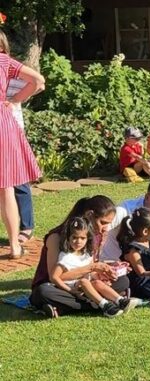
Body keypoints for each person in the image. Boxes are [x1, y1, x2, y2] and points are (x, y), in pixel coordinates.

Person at [30, 196, 132, 318]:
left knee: (122, 280)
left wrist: (108, 269)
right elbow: (55, 277)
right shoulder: (56, 237)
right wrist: (92, 268)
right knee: (43, 292)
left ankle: (69, 307)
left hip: (85, 284)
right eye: (103, 222)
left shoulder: (95, 235)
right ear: (89, 215)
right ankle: (103, 303)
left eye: (108, 224)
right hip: (59, 286)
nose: (106, 228)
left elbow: (91, 265)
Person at [0, 29, 44, 260]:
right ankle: (15, 247)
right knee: (6, 186)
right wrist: (14, 100)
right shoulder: (4, 61)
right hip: (2, 121)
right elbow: (38, 81)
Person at [50, 217, 133, 317]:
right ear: (68, 239)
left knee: (99, 282)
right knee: (83, 282)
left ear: (87, 238)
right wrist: (70, 290)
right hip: (73, 287)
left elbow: (92, 272)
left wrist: (103, 276)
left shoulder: (87, 254)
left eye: (82, 238)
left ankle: (120, 300)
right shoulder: (65, 257)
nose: (78, 241)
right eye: (74, 238)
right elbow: (54, 277)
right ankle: (105, 305)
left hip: (88, 285)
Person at [6, 72, 39, 254]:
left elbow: (39, 84)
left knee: (18, 182)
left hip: (13, 133)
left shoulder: (12, 73)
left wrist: (14, 99)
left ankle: (27, 227)